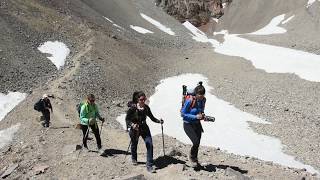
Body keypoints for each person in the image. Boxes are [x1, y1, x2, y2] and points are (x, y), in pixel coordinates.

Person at [125, 91, 164, 173]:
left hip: (144, 127)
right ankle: (134, 158)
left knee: (149, 144)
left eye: (144, 99)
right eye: (141, 99)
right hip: (135, 129)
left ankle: (149, 165)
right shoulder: (133, 108)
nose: (143, 101)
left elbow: (152, 118)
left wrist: (159, 121)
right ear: (137, 100)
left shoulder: (146, 108)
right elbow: (127, 119)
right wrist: (132, 125)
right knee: (134, 144)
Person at [181, 83, 207, 167]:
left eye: (202, 94)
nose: (201, 96)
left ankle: (195, 159)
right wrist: (195, 116)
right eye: (200, 94)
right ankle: (191, 157)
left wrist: (202, 115)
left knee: (197, 143)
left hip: (197, 124)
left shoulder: (203, 100)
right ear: (196, 94)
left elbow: (201, 110)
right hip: (187, 124)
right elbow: (183, 113)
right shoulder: (190, 100)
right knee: (195, 142)